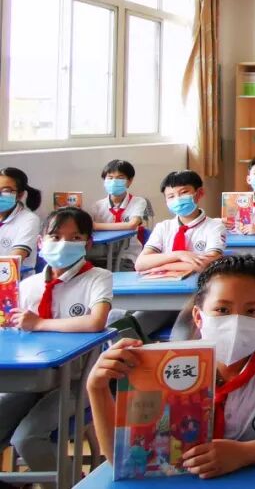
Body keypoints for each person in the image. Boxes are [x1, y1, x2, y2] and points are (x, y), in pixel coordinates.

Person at [88, 256, 255, 479]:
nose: (236, 321)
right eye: (222, 309)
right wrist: (96, 388)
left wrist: (244, 453)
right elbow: (121, 459)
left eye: (252, 311)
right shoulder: (166, 368)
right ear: (199, 317)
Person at [0, 207, 112, 476]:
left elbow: (96, 321)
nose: (63, 244)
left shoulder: (98, 277)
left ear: (88, 244)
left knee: (27, 438)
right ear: (40, 242)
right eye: (55, 236)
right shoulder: (27, 285)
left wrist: (39, 324)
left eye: (75, 238)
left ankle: (71, 482)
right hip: (31, 379)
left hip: (76, 381)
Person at [136, 170, 225, 277]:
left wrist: (162, 267)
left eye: (183, 193)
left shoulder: (214, 226)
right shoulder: (163, 227)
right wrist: (179, 255)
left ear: (200, 193)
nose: (177, 199)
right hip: (164, 282)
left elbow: (208, 264)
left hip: (199, 282)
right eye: (171, 196)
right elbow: (140, 264)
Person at [90, 158, 154, 271]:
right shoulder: (97, 206)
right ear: (104, 180)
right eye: (110, 177)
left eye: (120, 178)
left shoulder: (138, 201)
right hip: (100, 256)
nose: (114, 181)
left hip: (127, 256)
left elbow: (132, 225)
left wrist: (95, 225)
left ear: (130, 181)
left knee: (117, 274)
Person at [0, 166, 43, 269]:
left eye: (6, 191)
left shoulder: (29, 220)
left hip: (15, 278)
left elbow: (12, 262)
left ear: (20, 195)